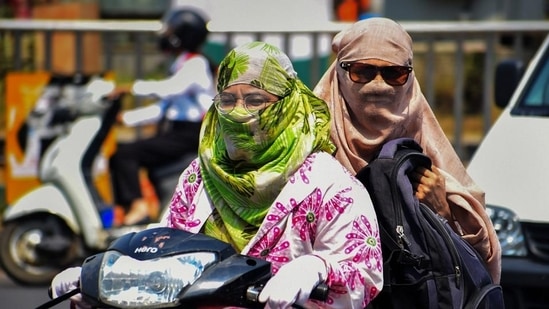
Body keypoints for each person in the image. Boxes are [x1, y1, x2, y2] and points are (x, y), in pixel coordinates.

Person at [51, 42, 384, 308]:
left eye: (255, 100)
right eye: (227, 100)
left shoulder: (330, 185)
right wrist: (102, 273)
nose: (239, 112)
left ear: (287, 105)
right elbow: (166, 248)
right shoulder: (200, 175)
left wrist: (317, 269)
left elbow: (365, 277)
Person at [312, 17, 502, 284]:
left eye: (393, 74)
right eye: (362, 71)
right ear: (340, 73)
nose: (377, 85)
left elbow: (476, 261)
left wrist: (442, 211)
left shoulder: (425, 151)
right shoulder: (310, 146)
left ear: (409, 77)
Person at [109, 7, 216, 226]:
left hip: (193, 133)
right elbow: (163, 108)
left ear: (182, 36)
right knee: (129, 155)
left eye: (170, 31)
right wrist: (126, 118)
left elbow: (171, 89)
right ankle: (149, 211)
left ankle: (138, 207)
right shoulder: (183, 63)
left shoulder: (196, 64)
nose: (165, 36)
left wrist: (130, 87)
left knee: (126, 154)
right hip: (179, 130)